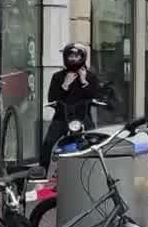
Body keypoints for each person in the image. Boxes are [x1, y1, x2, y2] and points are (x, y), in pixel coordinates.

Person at [41, 43, 109, 171]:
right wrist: (65, 84)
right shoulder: (58, 77)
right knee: (48, 143)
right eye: (70, 56)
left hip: (83, 117)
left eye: (76, 56)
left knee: (96, 142)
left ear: (82, 57)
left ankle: (98, 171)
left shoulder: (90, 76)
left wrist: (84, 82)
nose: (73, 59)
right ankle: (41, 174)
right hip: (61, 117)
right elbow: (52, 98)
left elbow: (95, 95)